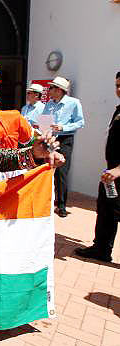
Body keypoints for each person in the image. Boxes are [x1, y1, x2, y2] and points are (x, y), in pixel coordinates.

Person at [74, 72, 120, 262]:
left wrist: (118, 170)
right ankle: (101, 249)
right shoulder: (119, 109)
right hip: (112, 173)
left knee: (113, 210)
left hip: (117, 172)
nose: (119, 89)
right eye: (117, 85)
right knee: (107, 210)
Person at [42, 76, 85, 217]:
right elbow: (44, 123)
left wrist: (63, 127)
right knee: (46, 168)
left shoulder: (74, 103)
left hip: (65, 139)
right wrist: (43, 131)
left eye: (51, 88)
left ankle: (61, 205)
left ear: (59, 90)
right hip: (49, 139)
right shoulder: (48, 104)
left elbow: (80, 122)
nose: (49, 90)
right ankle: (45, 201)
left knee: (61, 172)